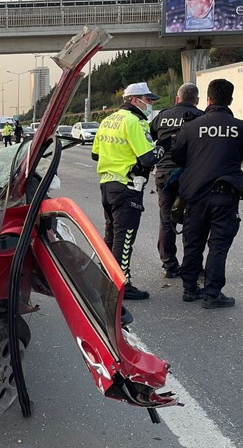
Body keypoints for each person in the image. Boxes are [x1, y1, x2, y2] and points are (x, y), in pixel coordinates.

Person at [172, 79, 243, 308]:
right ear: (230, 99)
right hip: (224, 194)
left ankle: (189, 288)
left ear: (208, 99)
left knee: (193, 242)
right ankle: (212, 294)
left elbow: (178, 157)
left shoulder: (190, 127)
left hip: (195, 194)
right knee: (218, 246)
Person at [91, 82, 164, 300]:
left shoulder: (107, 120)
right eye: (148, 99)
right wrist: (163, 147)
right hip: (127, 186)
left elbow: (95, 155)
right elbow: (148, 157)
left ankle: (106, 280)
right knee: (124, 237)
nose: (150, 104)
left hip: (107, 185)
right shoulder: (134, 122)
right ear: (134, 100)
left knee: (111, 235)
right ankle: (122, 284)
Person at [149, 83, 205, 279]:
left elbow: (152, 136)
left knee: (167, 220)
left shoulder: (163, 115)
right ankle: (193, 266)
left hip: (164, 173)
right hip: (190, 175)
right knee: (193, 221)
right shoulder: (201, 117)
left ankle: (169, 265)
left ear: (177, 99)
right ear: (196, 100)